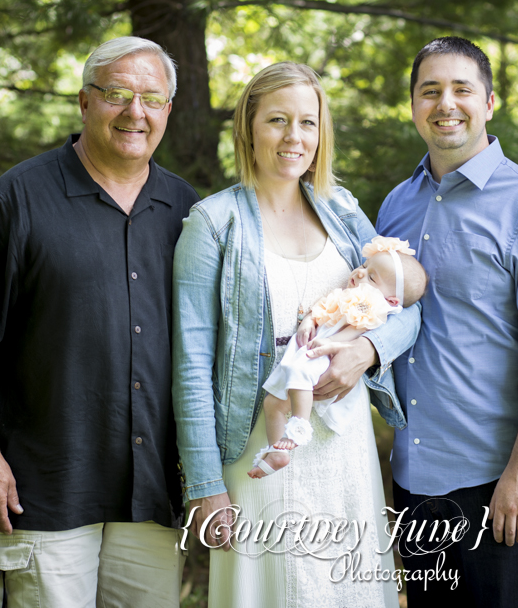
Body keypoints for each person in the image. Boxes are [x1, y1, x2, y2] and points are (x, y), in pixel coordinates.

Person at [0, 36, 199, 606]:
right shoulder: (18, 198)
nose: (135, 112)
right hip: (45, 488)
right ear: (85, 103)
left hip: (150, 494)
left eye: (151, 99)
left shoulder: (188, 212)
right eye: (117, 95)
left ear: (168, 112)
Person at [172, 61, 420, 608]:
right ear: (248, 128)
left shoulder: (342, 210)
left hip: (345, 448)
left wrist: (367, 351)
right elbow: (190, 365)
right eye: (278, 120)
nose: (294, 137)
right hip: (259, 452)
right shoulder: (212, 224)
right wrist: (205, 485)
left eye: (308, 123)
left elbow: (405, 305)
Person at [374, 36, 518, 606]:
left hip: (496, 479)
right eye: (429, 91)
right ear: (413, 105)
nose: (446, 104)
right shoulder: (396, 205)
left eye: (462, 89)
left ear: (490, 102)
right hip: (415, 477)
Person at [249, 237, 428, 478]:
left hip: (329, 354)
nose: (361, 273)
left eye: (372, 277)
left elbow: (357, 329)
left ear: (392, 300)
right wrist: (309, 321)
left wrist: (332, 342)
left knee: (299, 375)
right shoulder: (347, 293)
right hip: (310, 348)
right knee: (273, 403)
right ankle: (277, 451)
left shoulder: (375, 306)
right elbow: (323, 307)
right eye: (365, 267)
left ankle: (300, 424)